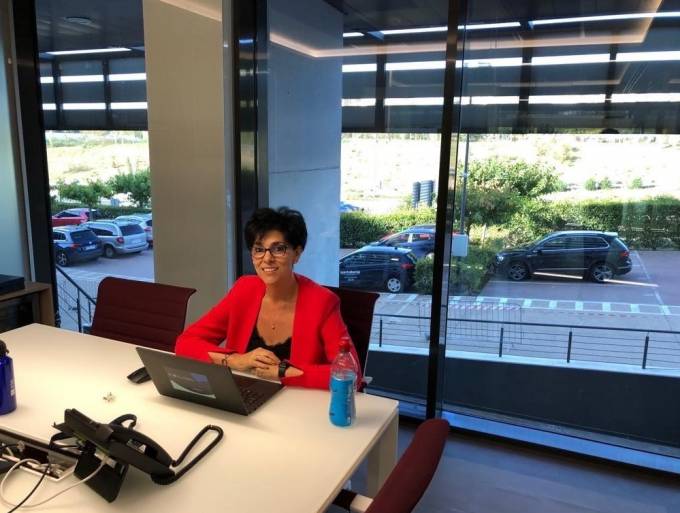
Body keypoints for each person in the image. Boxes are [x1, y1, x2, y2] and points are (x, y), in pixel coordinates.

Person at [175, 207, 362, 390]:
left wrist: (283, 372)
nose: (267, 258)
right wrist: (235, 360)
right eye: (259, 249)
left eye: (278, 249)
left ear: (297, 253)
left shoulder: (322, 302)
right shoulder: (243, 290)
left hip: (297, 402)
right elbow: (185, 343)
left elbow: (352, 374)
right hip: (245, 394)